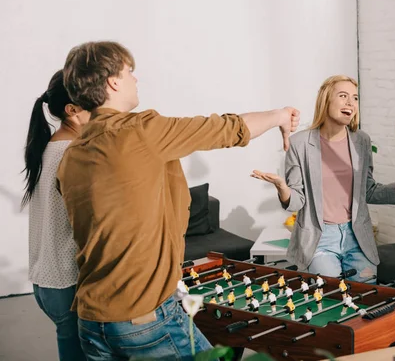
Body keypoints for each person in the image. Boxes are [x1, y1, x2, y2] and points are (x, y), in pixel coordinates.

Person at [56, 41, 300, 360]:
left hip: (91, 319)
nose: (135, 79)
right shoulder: (139, 131)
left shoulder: (70, 156)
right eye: (129, 72)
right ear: (113, 82)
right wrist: (280, 115)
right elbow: (228, 128)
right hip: (144, 317)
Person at [252, 75, 395, 282]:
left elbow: (368, 191)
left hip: (357, 236)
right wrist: (281, 186)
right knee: (331, 297)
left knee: (365, 299)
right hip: (320, 239)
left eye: (355, 98)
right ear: (326, 100)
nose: (351, 102)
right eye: (343, 96)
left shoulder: (362, 141)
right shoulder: (300, 143)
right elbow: (296, 201)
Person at [22, 70, 90, 361]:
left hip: (47, 280)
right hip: (67, 282)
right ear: (72, 110)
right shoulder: (72, 152)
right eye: (94, 103)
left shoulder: (51, 146)